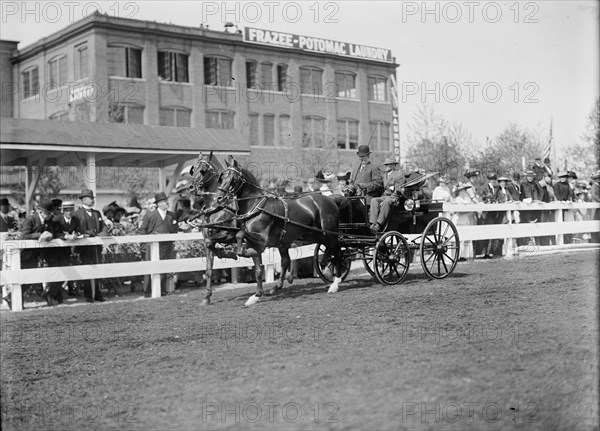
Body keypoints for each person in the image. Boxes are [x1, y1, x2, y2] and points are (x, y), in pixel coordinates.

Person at [5, 198, 54, 309]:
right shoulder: (30, 219)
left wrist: (50, 235)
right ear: (41, 211)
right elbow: (24, 236)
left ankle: (10, 297)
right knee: (23, 279)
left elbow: (51, 232)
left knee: (29, 279)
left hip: (35, 255)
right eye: (48, 213)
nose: (50, 215)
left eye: (50, 213)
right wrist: (38, 235)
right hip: (24, 254)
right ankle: (14, 299)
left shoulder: (48, 221)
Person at [139, 191, 179, 297]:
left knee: (163, 267)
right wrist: (144, 244)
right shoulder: (150, 215)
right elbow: (143, 230)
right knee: (150, 268)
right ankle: (147, 291)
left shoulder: (172, 215)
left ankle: (162, 290)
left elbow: (175, 230)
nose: (167, 203)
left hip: (166, 246)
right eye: (164, 201)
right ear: (159, 204)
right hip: (152, 246)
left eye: (166, 200)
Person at [73, 189, 107, 303]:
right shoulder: (78, 214)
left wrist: (101, 234)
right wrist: (88, 233)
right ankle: (88, 295)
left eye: (92, 198)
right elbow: (77, 228)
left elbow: (103, 226)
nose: (92, 200)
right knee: (87, 269)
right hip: (84, 247)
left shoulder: (97, 213)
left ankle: (98, 293)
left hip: (96, 247)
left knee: (98, 269)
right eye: (89, 198)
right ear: (83, 200)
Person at [47, 200, 80, 304]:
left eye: (71, 210)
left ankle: (50, 294)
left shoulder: (75, 219)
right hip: (53, 251)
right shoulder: (56, 219)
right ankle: (52, 295)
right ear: (63, 211)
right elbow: (54, 233)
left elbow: (79, 230)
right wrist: (65, 236)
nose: (69, 212)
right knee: (56, 274)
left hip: (66, 251)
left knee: (64, 273)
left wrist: (76, 235)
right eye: (66, 210)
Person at [369, 158, 403, 231]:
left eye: (388, 164)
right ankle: (373, 223)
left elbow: (399, 189)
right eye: (385, 165)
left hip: (394, 197)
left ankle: (379, 224)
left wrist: (393, 190)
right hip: (385, 196)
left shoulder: (398, 174)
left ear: (393, 165)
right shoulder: (385, 175)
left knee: (387, 201)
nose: (386, 166)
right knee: (373, 200)